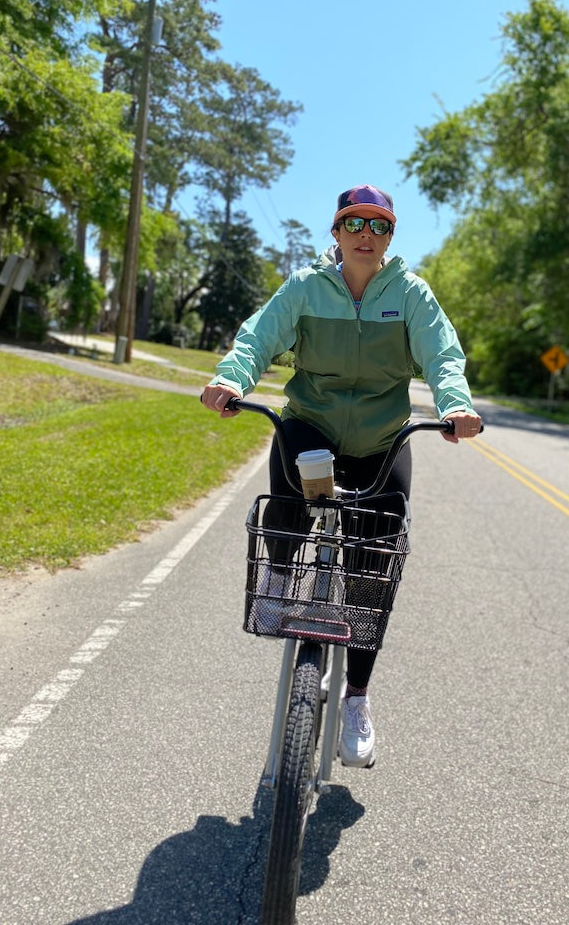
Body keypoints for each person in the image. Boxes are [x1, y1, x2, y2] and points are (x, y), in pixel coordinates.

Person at [201, 184, 481, 767]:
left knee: (373, 575)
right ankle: (279, 575)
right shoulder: (306, 287)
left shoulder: (409, 294)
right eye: (354, 224)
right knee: (297, 461)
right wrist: (233, 380)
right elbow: (259, 337)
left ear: (390, 238)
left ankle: (356, 696)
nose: (365, 236)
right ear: (335, 232)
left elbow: (442, 355)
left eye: (378, 226)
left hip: (381, 440)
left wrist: (454, 405)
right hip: (314, 426)